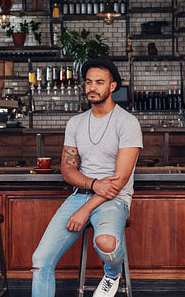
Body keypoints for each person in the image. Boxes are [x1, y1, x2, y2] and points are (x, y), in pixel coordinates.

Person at [32, 57, 143, 297]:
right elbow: (68, 170)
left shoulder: (128, 123)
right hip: (80, 195)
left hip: (114, 199)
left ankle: (112, 274)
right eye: (89, 82)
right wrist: (92, 184)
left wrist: (85, 210)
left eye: (99, 82)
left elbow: (120, 180)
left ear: (112, 86)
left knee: (106, 244)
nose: (93, 87)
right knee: (40, 259)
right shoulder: (75, 123)